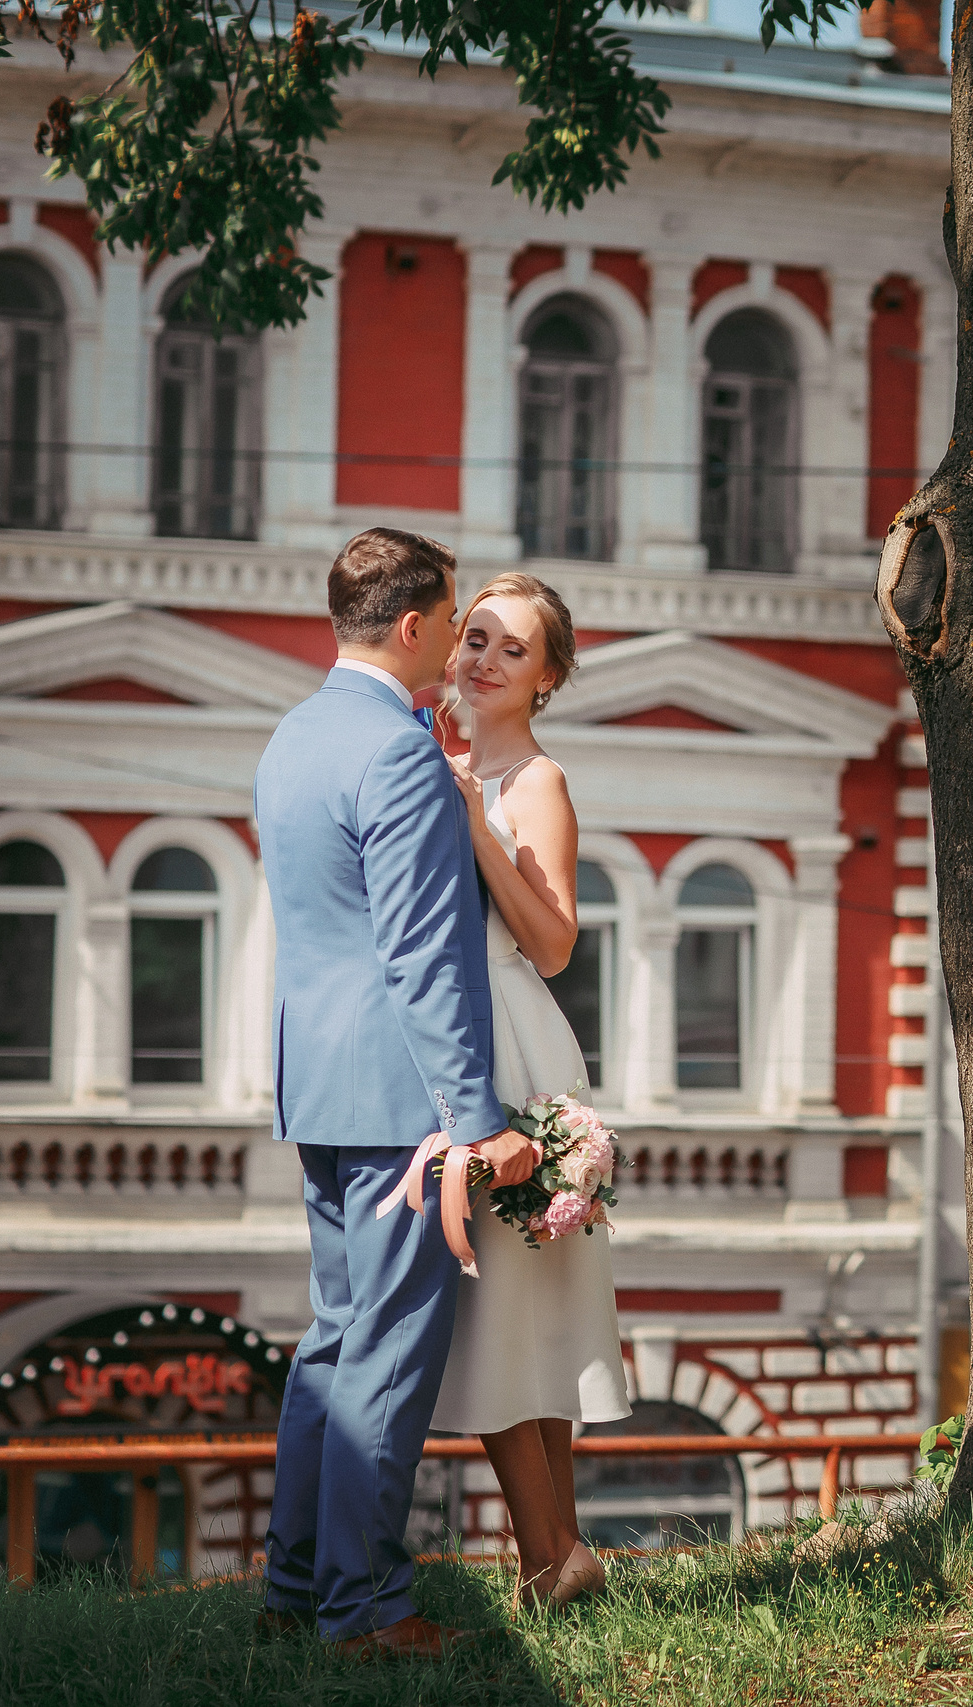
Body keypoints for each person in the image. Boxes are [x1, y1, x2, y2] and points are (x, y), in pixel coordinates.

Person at [254, 528, 534, 1660]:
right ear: (414, 626)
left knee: (332, 1345)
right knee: (387, 1354)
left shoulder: (293, 738)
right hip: (398, 1104)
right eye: (452, 618)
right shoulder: (401, 754)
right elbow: (425, 955)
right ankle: (364, 1613)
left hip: (315, 1086)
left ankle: (294, 1585)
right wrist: (478, 1123)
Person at [426, 570, 631, 1609]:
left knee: (509, 1312)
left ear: (547, 676)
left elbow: (553, 944)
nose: (485, 660)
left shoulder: (534, 783)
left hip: (515, 1046)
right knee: (514, 1316)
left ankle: (551, 1560)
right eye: (475, 638)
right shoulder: (445, 763)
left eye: (514, 649)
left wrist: (473, 823)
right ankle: (556, 1559)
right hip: (470, 1035)